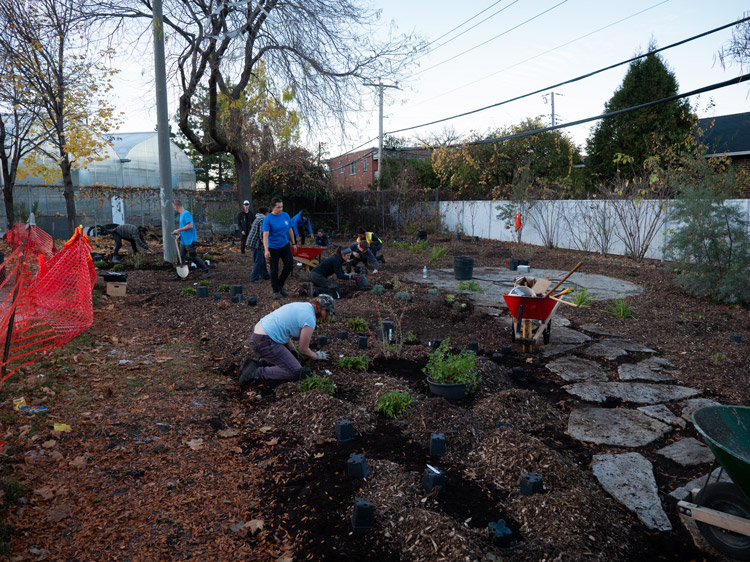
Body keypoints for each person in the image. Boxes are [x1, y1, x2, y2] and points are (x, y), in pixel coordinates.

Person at [239, 294, 334, 385]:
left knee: (288, 358)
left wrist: (292, 350)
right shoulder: (309, 319)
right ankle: (255, 373)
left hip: (258, 335)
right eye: (327, 311)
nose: (327, 316)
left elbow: (284, 329)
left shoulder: (303, 306)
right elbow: (303, 349)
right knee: (295, 371)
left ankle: (254, 364)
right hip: (265, 340)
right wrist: (317, 356)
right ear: (320, 307)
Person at [262, 197, 297, 299]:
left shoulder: (285, 216)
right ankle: (276, 291)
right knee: (274, 269)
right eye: (278, 207)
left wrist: (293, 243)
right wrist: (266, 250)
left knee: (289, 265)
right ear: (273, 207)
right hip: (273, 247)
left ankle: (280, 285)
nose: (280, 209)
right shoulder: (268, 219)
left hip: (285, 244)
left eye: (281, 207)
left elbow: (290, 230)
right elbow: (265, 235)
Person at [172, 199, 210, 280]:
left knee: (193, 257)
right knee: (180, 257)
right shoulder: (182, 214)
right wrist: (180, 235)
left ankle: (206, 270)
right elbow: (185, 227)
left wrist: (179, 230)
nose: (174, 208)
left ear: (176, 206)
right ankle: (179, 275)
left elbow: (190, 226)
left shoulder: (186, 214)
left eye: (174, 207)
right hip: (184, 240)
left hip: (189, 240)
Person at [246, 206, 271, 283]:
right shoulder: (263, 220)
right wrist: (265, 244)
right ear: (266, 213)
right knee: (258, 261)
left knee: (261, 260)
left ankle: (265, 275)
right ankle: (253, 278)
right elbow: (261, 234)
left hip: (253, 242)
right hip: (256, 243)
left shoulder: (258, 218)